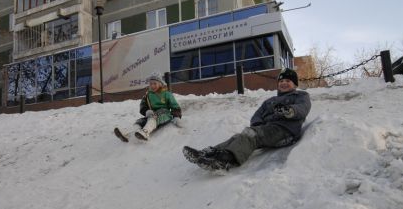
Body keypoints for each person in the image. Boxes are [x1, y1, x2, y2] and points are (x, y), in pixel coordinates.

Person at [183, 68, 311, 171]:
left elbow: (302, 108)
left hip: (285, 131)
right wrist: (258, 125)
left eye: (288, 81)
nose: (284, 83)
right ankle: (209, 153)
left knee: (251, 134)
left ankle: (225, 160)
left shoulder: (300, 96)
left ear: (295, 84)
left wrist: (289, 111)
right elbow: (258, 114)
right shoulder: (270, 101)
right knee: (240, 136)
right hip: (268, 130)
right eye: (281, 81)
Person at [114, 72, 182, 142]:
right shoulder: (148, 95)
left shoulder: (166, 94)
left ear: (160, 84)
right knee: (139, 122)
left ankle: (145, 133)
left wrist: (176, 117)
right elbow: (143, 105)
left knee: (154, 116)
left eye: (155, 83)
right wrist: (147, 111)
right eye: (151, 84)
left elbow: (175, 106)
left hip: (165, 114)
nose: (152, 86)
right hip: (152, 115)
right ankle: (130, 135)